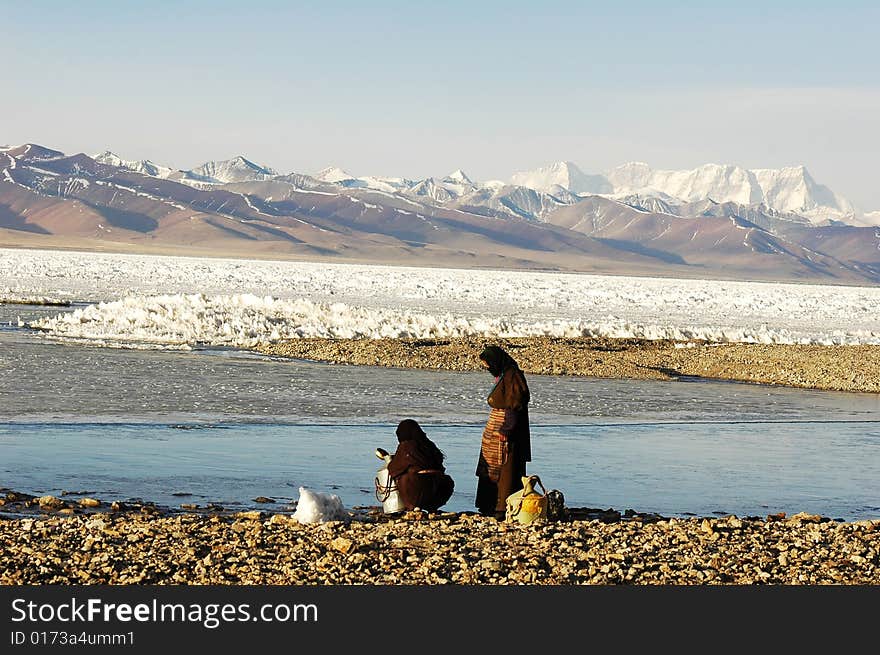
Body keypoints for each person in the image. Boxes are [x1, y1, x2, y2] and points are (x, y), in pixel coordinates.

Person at [475, 345, 531, 519]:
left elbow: (515, 405)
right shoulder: (503, 376)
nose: (487, 368)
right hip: (496, 427)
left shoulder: (513, 376)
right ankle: (489, 503)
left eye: (488, 364)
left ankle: (503, 505)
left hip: (505, 430)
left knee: (505, 467)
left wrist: (506, 429)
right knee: (491, 467)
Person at [386, 419, 454, 512]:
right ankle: (431, 507)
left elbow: (393, 469)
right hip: (441, 487)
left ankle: (413, 506)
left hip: (418, 488)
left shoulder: (407, 446)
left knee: (403, 477)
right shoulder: (429, 445)